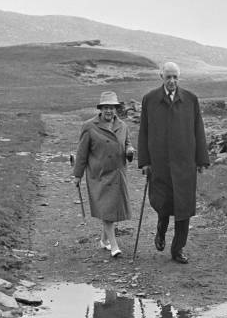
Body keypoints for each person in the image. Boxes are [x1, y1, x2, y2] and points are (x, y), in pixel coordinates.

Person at [138, 62, 209, 264]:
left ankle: (178, 249)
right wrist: (145, 161)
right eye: (168, 77)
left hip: (185, 163)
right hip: (160, 163)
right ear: (161, 76)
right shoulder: (150, 100)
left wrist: (201, 159)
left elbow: (198, 130)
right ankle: (161, 230)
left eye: (175, 77)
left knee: (184, 208)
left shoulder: (190, 100)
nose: (172, 81)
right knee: (163, 203)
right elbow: (144, 132)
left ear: (179, 78)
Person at [73, 91, 134, 258]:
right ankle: (114, 246)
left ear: (116, 109)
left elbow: (127, 142)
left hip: (117, 173)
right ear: (101, 109)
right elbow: (82, 153)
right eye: (106, 108)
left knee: (111, 209)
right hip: (99, 175)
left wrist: (129, 149)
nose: (109, 111)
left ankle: (104, 240)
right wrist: (77, 175)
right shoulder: (89, 126)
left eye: (112, 108)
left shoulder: (122, 126)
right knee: (107, 209)